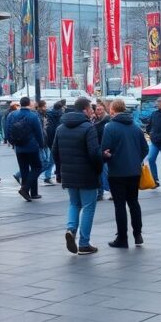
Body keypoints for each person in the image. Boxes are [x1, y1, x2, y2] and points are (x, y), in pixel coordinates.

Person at [53, 98, 102, 255]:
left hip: (69, 174)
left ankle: (71, 229)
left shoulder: (61, 128)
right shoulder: (88, 128)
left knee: (74, 203)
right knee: (88, 206)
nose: (92, 111)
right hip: (87, 174)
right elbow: (94, 153)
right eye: (90, 109)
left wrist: (59, 172)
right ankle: (84, 243)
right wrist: (100, 167)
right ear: (85, 110)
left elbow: (55, 151)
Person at [102, 99, 147, 248]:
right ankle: (138, 234)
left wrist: (109, 157)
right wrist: (136, 159)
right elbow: (145, 148)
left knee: (119, 205)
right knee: (134, 202)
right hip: (134, 172)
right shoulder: (135, 127)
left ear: (113, 110)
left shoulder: (110, 127)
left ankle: (122, 238)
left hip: (117, 172)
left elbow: (105, 149)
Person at [6, 96, 46, 201]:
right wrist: (41, 144)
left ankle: (30, 193)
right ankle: (26, 189)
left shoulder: (12, 115)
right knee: (37, 167)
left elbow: (7, 129)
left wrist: (12, 142)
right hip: (32, 146)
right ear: (28, 104)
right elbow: (39, 132)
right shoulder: (33, 116)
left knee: (24, 170)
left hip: (19, 147)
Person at [93, 101, 112, 200]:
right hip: (97, 149)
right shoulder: (94, 120)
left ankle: (110, 191)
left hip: (105, 149)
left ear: (104, 109)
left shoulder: (107, 120)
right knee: (99, 172)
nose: (98, 111)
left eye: (100, 109)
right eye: (97, 109)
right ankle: (100, 193)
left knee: (105, 172)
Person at [42, 100, 63, 185]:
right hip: (56, 138)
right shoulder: (60, 115)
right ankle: (47, 176)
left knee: (51, 158)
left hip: (48, 138)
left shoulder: (48, 114)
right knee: (52, 159)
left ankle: (50, 175)